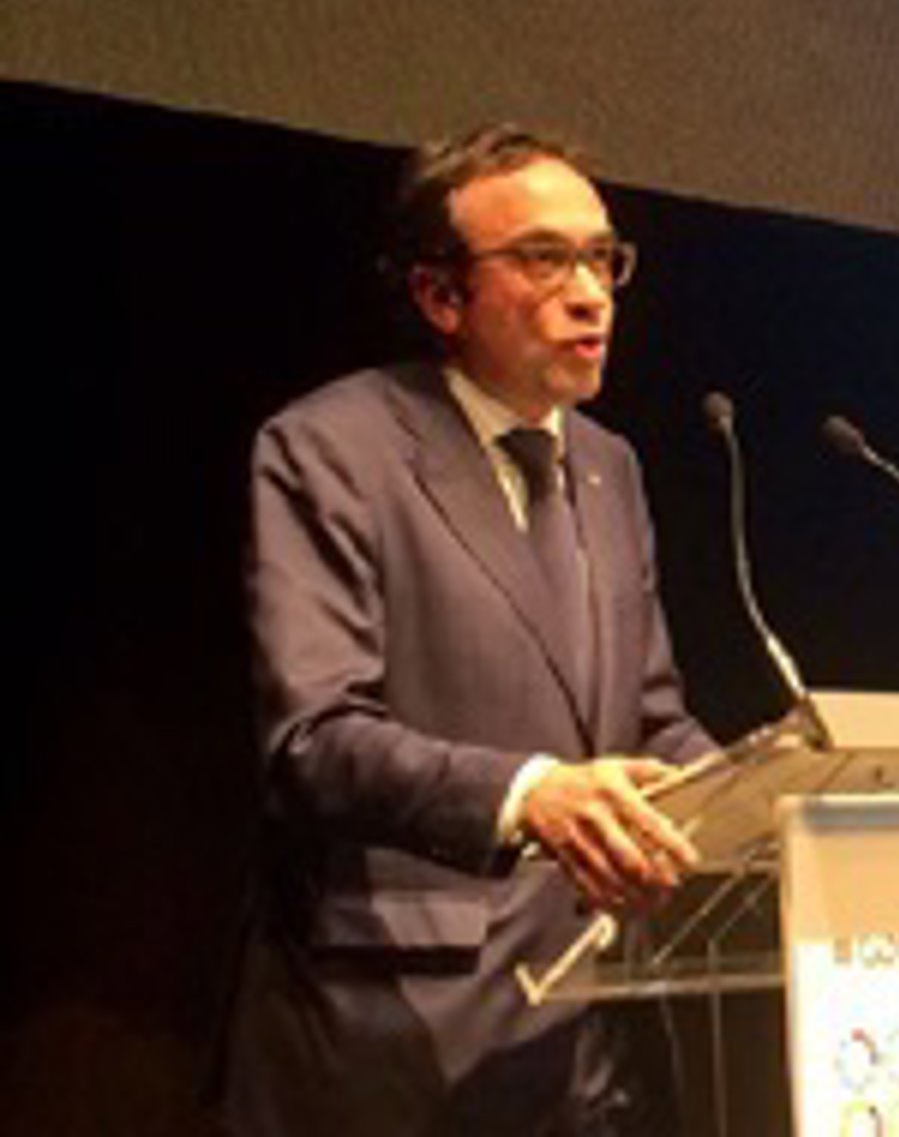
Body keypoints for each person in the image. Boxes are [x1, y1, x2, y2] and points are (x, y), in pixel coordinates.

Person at [217, 126, 718, 1136]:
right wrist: (529, 796)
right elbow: (313, 739)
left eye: (602, 258)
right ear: (441, 296)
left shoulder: (609, 467)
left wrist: (779, 802)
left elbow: (649, 721)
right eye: (543, 260)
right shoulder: (331, 450)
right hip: (401, 1041)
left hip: (591, 1037)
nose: (591, 293)